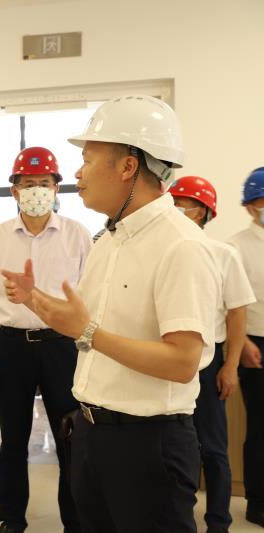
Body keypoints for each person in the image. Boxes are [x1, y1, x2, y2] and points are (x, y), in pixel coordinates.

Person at [2, 95, 220, 533]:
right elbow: (85, 322)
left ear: (127, 167)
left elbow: (182, 361)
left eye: (87, 160)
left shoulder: (180, 245)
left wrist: (88, 332)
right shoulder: (109, 240)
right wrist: (36, 301)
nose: (78, 173)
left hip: (148, 446)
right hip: (92, 434)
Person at [0, 146, 91, 533]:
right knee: (13, 438)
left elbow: (90, 298)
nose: (36, 189)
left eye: (44, 182)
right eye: (28, 184)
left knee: (70, 437)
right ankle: (11, 518)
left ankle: (75, 520)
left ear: (56, 188)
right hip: (12, 347)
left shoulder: (77, 235)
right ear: (14, 191)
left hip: (62, 346)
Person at [170, 175, 255, 533]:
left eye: (187, 206)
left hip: (208, 363)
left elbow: (237, 313)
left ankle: (218, 523)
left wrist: (230, 366)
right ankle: (178, 518)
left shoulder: (223, 254)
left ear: (205, 213)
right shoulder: (164, 255)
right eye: (174, 204)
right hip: (168, 362)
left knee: (214, 448)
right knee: (175, 448)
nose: (179, 211)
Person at [228, 167, 264, 528]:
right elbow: (231, 304)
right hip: (256, 343)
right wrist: (245, 344)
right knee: (261, 427)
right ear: (250, 205)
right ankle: (258, 501)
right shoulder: (235, 246)